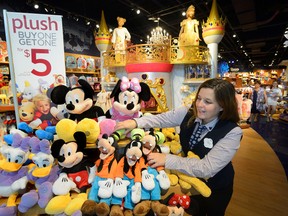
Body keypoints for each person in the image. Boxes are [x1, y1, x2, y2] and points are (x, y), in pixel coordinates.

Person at [115, 78, 243, 216]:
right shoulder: (188, 114)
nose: (199, 105)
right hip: (188, 182)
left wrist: (167, 159)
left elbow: (207, 168)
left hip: (216, 187)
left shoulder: (232, 132)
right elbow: (161, 119)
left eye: (208, 102)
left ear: (222, 106)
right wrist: (135, 122)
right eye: (199, 98)